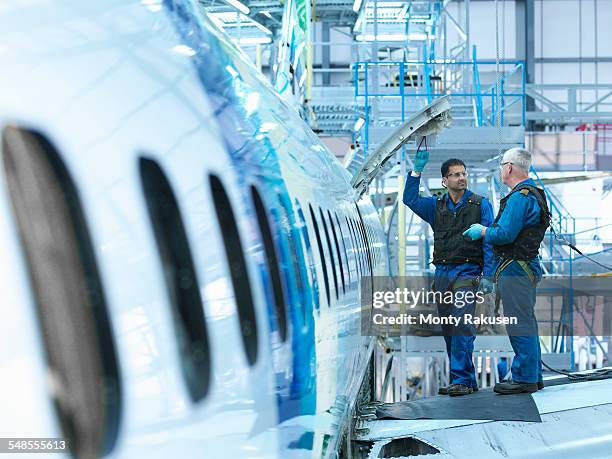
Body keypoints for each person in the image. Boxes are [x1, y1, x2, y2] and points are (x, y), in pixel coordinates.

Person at [403, 149, 494, 396]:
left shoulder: (480, 204)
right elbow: (409, 200)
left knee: (462, 324)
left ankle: (462, 380)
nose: (461, 178)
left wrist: (488, 275)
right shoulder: (436, 206)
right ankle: (465, 379)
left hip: (467, 272)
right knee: (448, 328)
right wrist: (416, 172)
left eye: (463, 173)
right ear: (445, 181)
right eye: (455, 175)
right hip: (442, 275)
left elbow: (489, 242)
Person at [463, 147, 549, 394]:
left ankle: (524, 378)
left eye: (502, 165)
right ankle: (533, 375)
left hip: (516, 270)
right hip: (525, 267)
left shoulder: (520, 197)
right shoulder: (534, 193)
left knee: (519, 323)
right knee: (526, 322)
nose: (501, 169)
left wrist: (482, 231)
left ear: (509, 167)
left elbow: (505, 234)